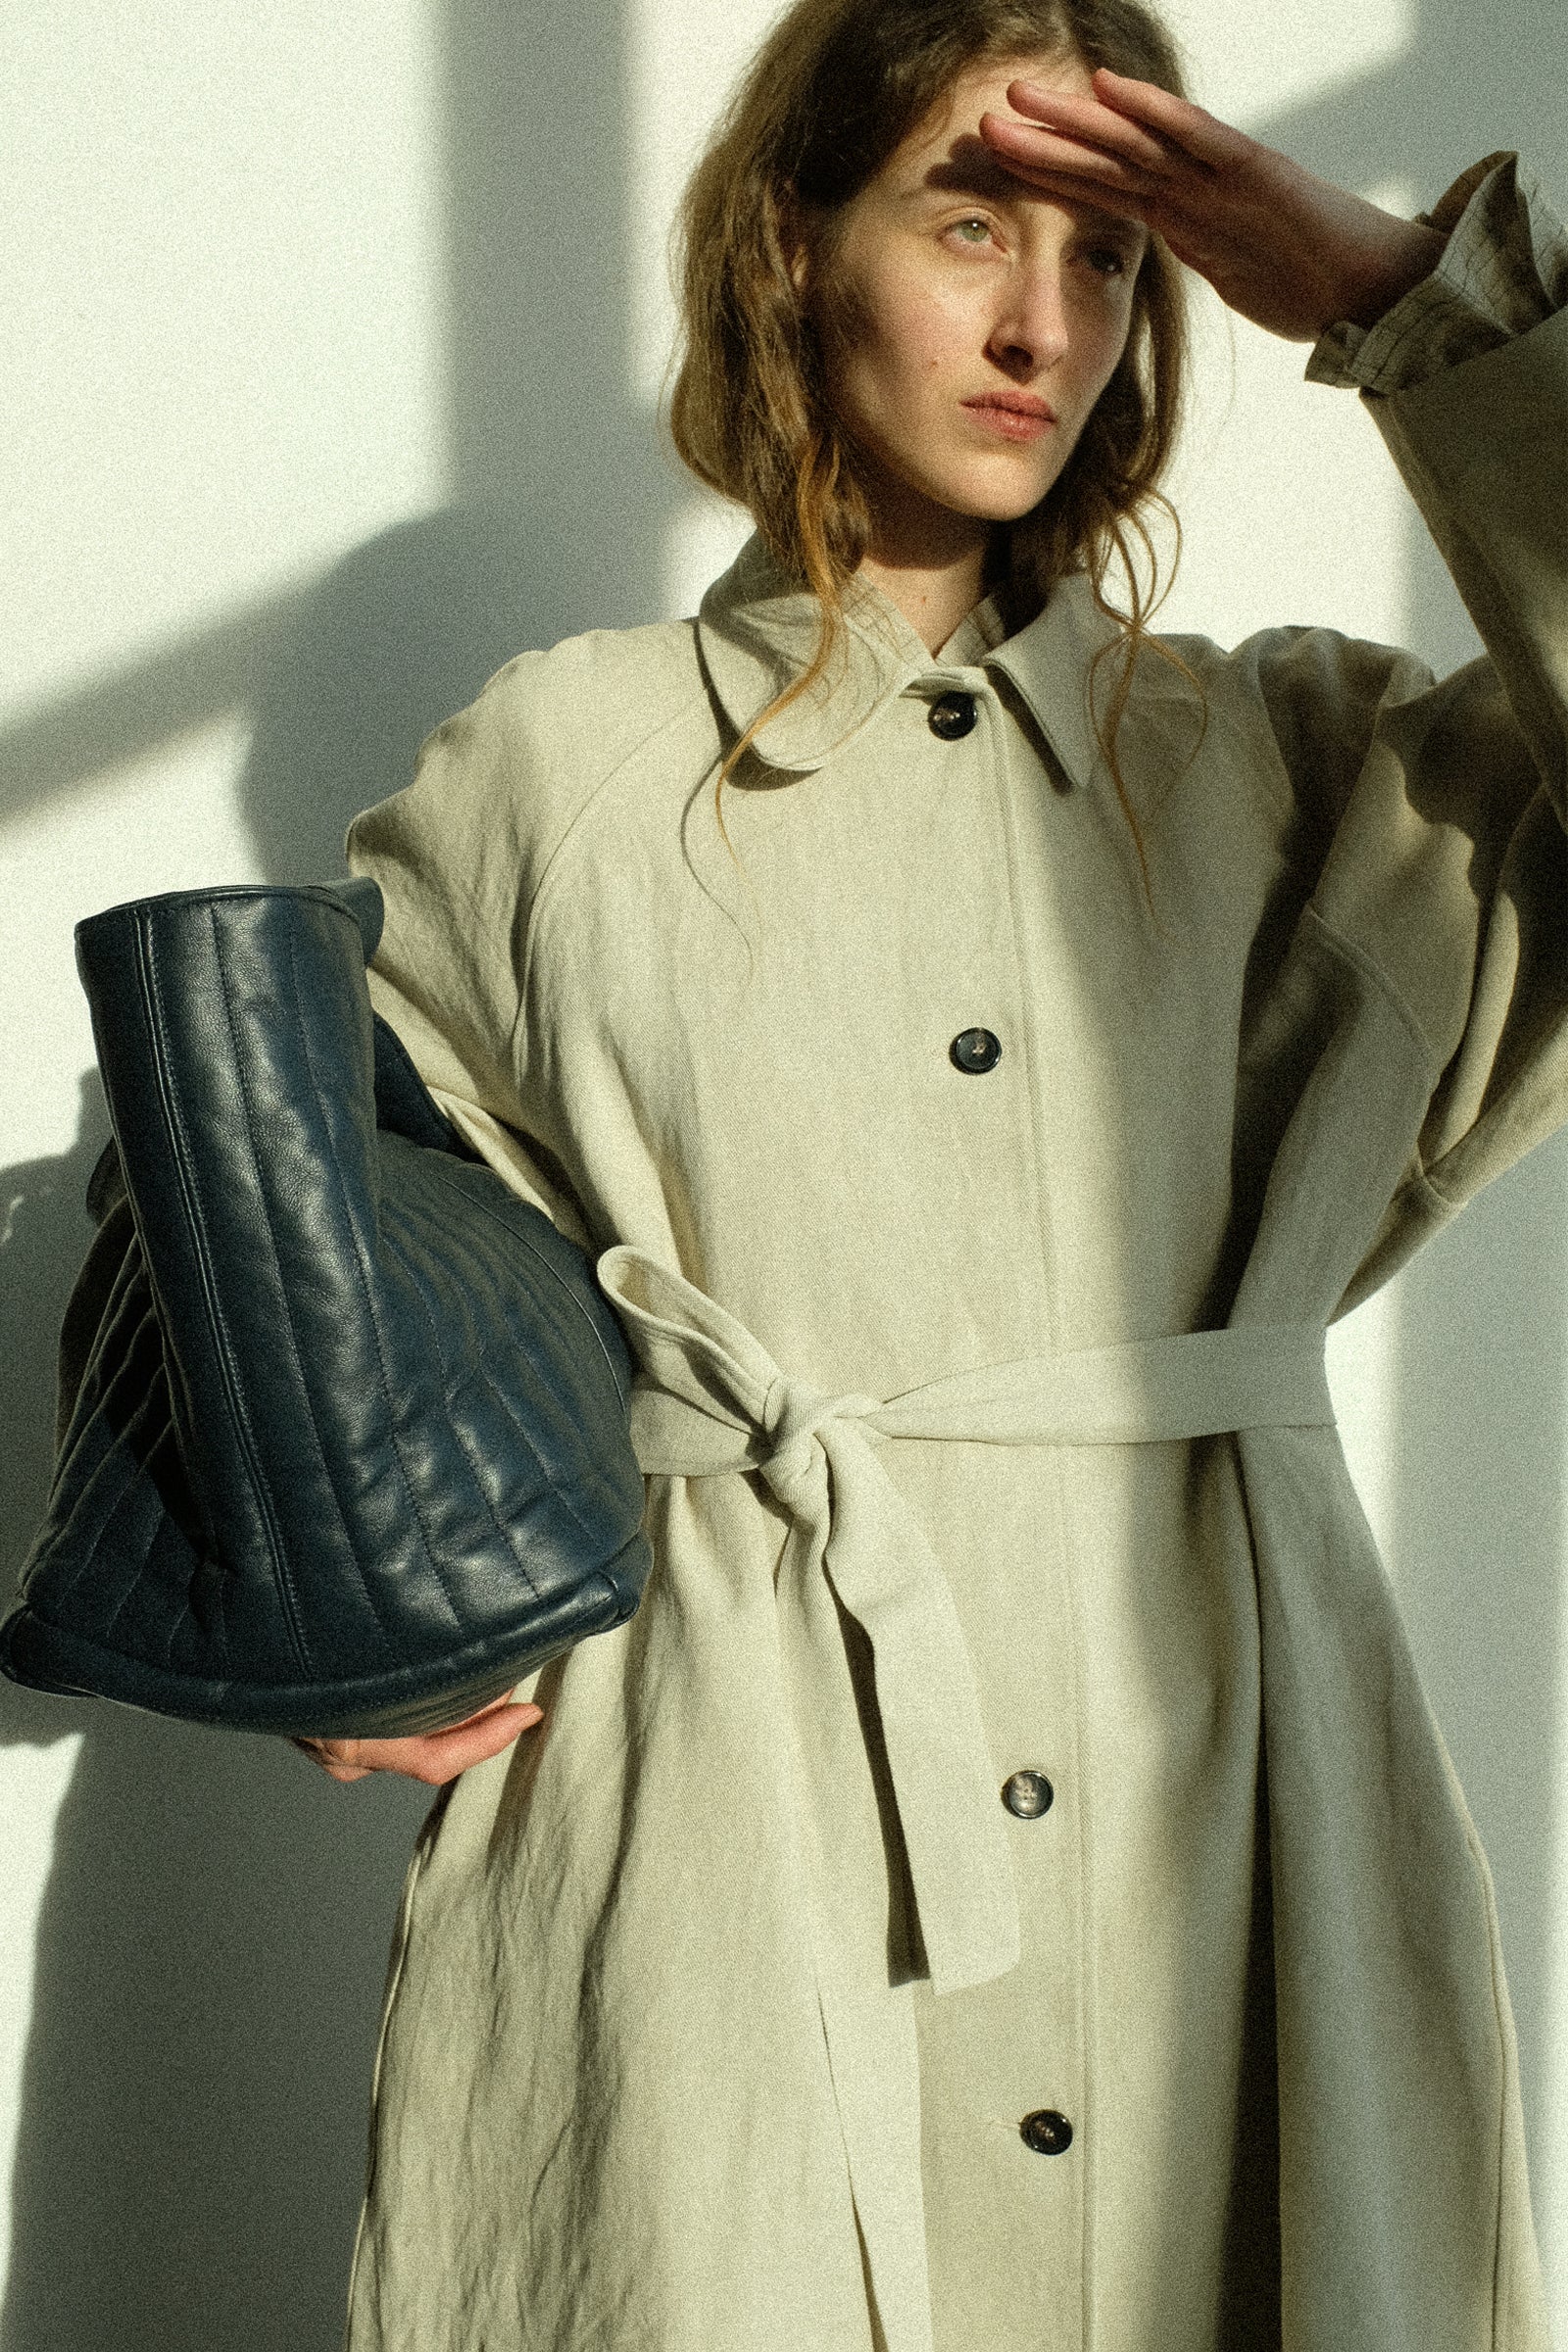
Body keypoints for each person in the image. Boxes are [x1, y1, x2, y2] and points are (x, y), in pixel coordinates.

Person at [294, 0, 1568, 2343]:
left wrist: (1408, 315)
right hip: (714, 1817)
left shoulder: (1303, 774)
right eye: (965, 220)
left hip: (1234, 1793)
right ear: (796, 251)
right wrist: (329, 1595)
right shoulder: (550, 776)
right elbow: (306, 1255)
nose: (1036, 323)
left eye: (1104, 255)